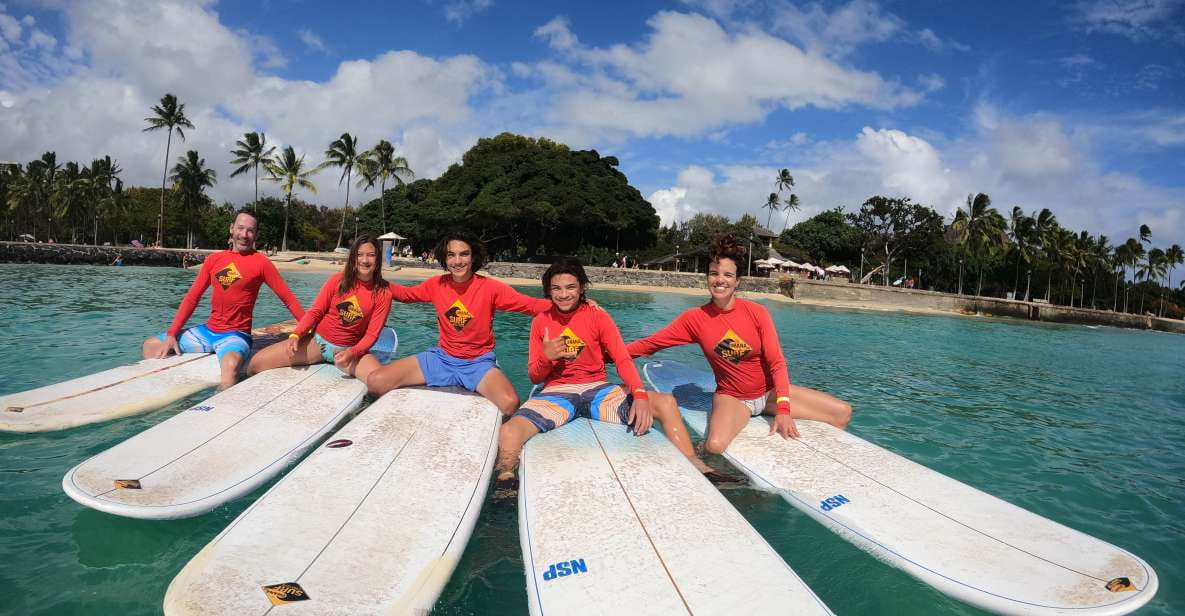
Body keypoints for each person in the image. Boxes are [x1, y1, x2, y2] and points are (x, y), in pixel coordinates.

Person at [495, 258, 722, 483]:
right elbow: (535, 376)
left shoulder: (598, 316)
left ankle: (693, 461)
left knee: (665, 403)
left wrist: (640, 394)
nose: (563, 294)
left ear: (582, 287)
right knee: (509, 432)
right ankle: (506, 476)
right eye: (556, 288)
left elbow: (622, 359)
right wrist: (548, 358)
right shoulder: (540, 322)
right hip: (557, 392)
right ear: (548, 291)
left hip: (598, 391)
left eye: (571, 287)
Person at [628, 234, 851, 455]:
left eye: (727, 274)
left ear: (737, 281)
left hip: (768, 393)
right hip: (733, 398)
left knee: (842, 413)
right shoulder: (695, 319)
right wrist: (606, 354)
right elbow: (651, 344)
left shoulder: (757, 313)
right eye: (714, 273)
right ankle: (702, 455)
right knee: (714, 446)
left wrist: (783, 408)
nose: (720, 280)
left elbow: (777, 363)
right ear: (707, 277)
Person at [366, 230, 553, 414]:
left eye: (464, 254)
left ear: (473, 257)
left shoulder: (490, 288)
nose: (458, 261)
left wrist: (575, 305)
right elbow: (406, 295)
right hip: (441, 359)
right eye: (451, 255)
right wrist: (371, 278)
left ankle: (462, 380)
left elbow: (530, 305)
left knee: (510, 403)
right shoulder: (436, 285)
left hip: (477, 363)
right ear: (444, 259)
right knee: (376, 381)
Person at [142, 211, 304, 390]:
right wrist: (173, 333)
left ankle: (216, 409)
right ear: (231, 229)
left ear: (256, 235)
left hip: (235, 335)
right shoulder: (214, 260)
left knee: (230, 367)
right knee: (151, 346)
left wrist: (309, 329)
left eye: (250, 231)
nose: (244, 234)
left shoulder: (261, 263)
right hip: (208, 331)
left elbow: (288, 299)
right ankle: (167, 389)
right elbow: (192, 297)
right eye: (240, 228)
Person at [247, 235, 396, 381]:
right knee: (256, 363)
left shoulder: (383, 294)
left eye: (371, 255)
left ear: (377, 259)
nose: (364, 260)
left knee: (381, 381)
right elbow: (315, 312)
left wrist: (352, 353)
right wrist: (296, 334)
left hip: (352, 350)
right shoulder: (337, 281)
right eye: (359, 255)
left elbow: (371, 335)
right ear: (353, 259)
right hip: (318, 343)